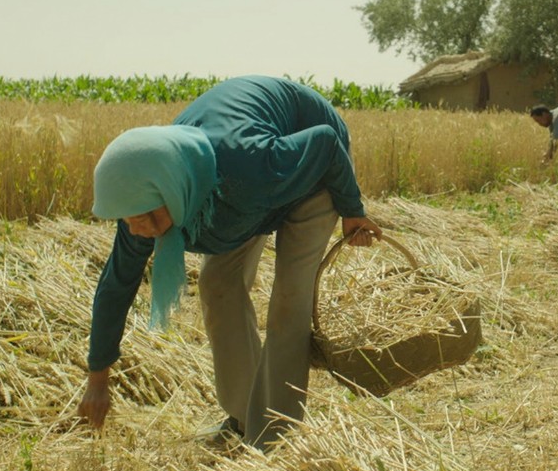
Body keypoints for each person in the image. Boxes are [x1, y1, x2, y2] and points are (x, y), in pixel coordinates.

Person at [78, 75, 382, 451]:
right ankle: (243, 420)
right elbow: (116, 286)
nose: (138, 229)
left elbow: (325, 143)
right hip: (238, 197)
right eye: (127, 219)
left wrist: (353, 211)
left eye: (142, 217)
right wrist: (97, 380)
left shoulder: (248, 164)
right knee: (217, 286)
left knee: (289, 300)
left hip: (312, 171)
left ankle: (276, 438)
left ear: (170, 189)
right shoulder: (147, 201)